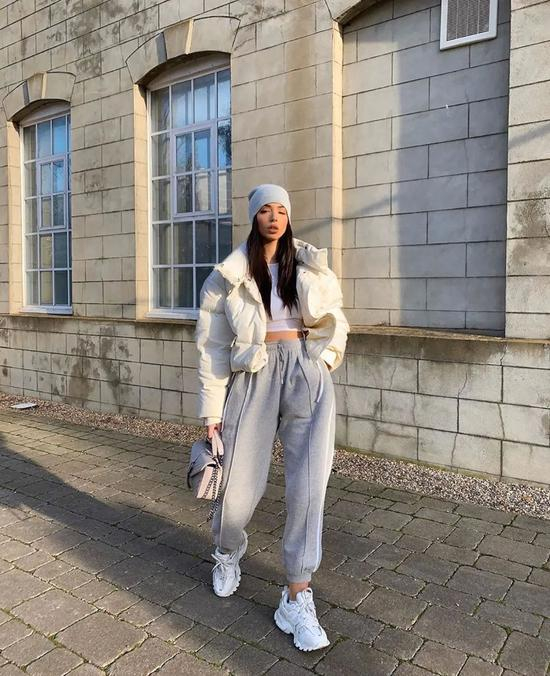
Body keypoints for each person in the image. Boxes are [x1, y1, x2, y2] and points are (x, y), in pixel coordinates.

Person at [195, 184, 349, 652]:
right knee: (237, 485)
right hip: (254, 374)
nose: (275, 217)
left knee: (309, 486)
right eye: (265, 209)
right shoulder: (228, 276)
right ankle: (227, 550)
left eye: (282, 209)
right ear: (253, 216)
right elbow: (212, 348)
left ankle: (297, 595)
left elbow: (336, 316)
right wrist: (212, 412)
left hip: (306, 370)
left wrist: (325, 360)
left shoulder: (309, 264)